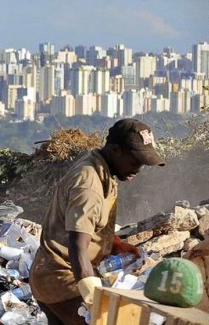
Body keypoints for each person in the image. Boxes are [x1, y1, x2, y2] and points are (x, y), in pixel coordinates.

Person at [29, 118, 165, 325]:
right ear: (116, 150)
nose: (138, 168)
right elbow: (77, 246)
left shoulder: (103, 170)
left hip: (49, 276)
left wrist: (116, 245)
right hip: (63, 281)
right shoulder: (89, 183)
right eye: (135, 161)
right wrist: (93, 297)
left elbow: (89, 226)